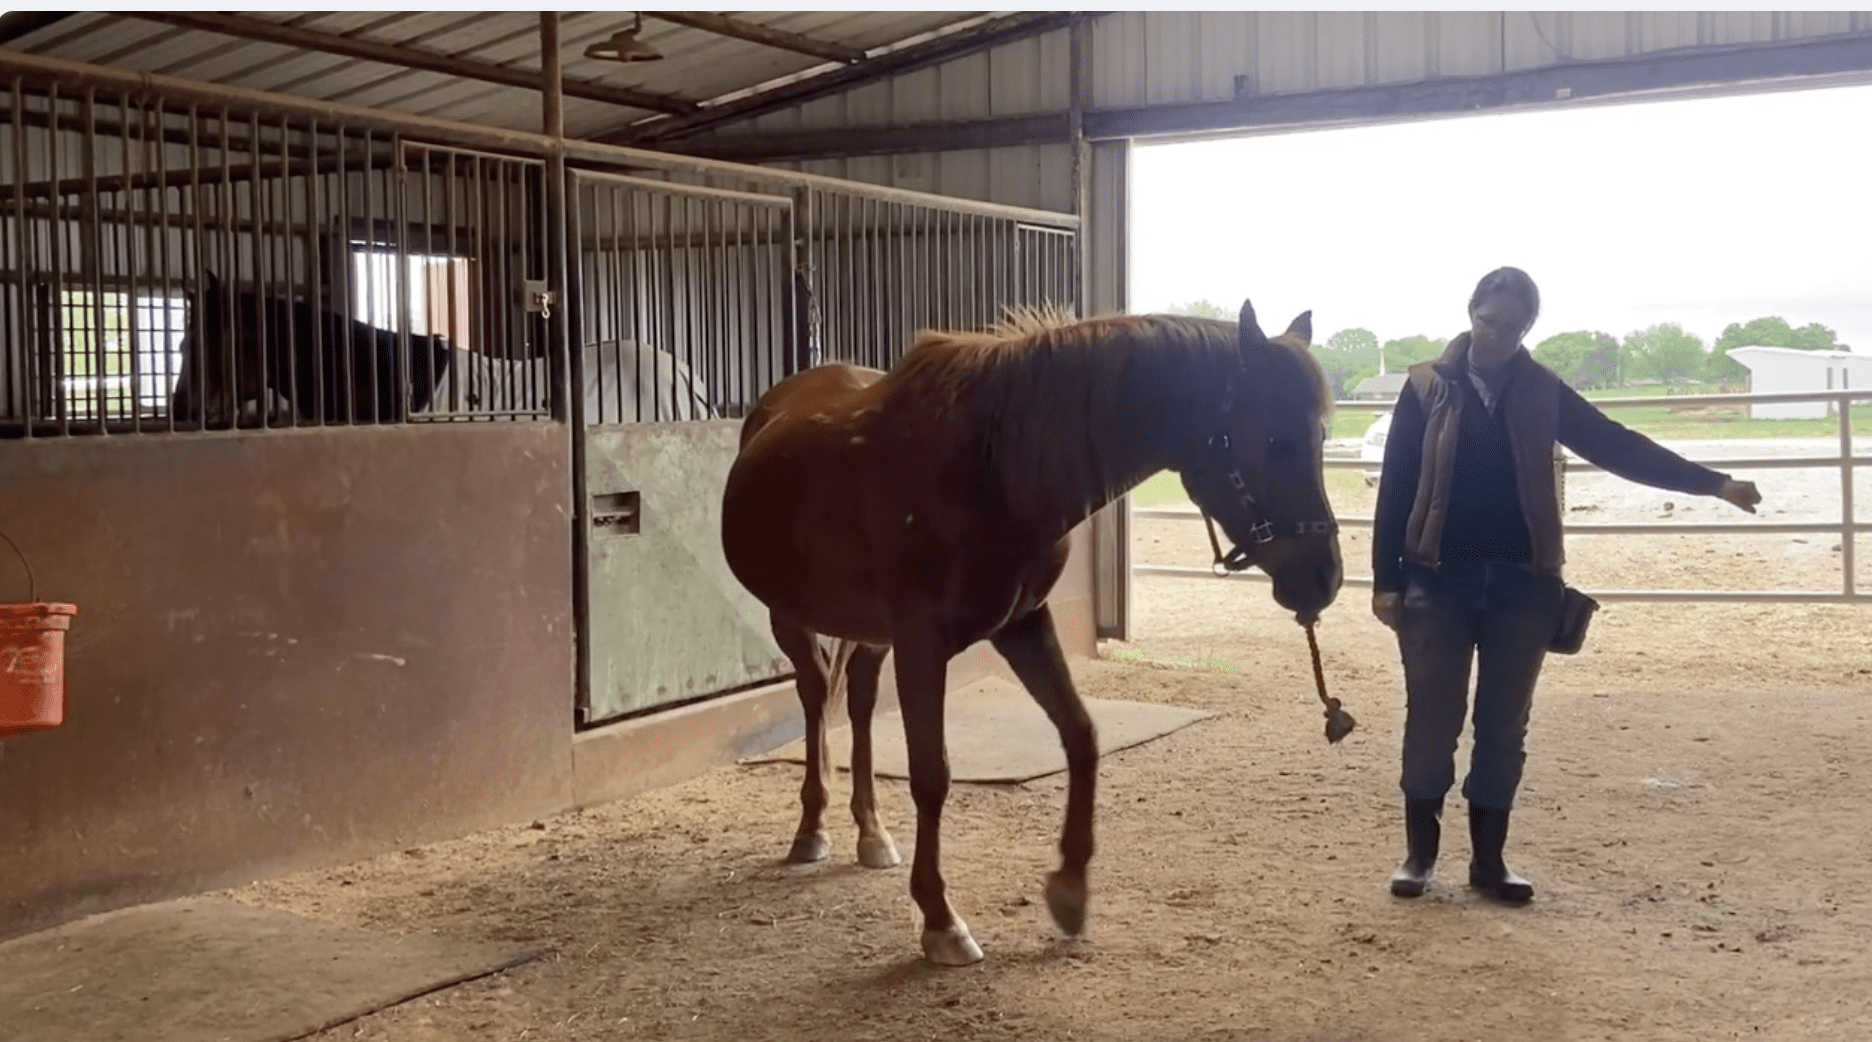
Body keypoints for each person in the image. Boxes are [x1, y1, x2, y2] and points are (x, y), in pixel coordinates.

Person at [1370, 267, 1761, 903]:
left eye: (1514, 327)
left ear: (1529, 330)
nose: (1498, 336)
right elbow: (1397, 484)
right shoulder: (1424, 387)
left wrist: (1712, 483)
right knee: (1432, 719)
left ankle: (1489, 862)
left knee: (1504, 725)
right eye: (1490, 321)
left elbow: (1618, 446)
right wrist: (1385, 581)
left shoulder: (1543, 392)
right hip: (1436, 583)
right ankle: (1420, 856)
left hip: (1523, 588)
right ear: (1471, 312)